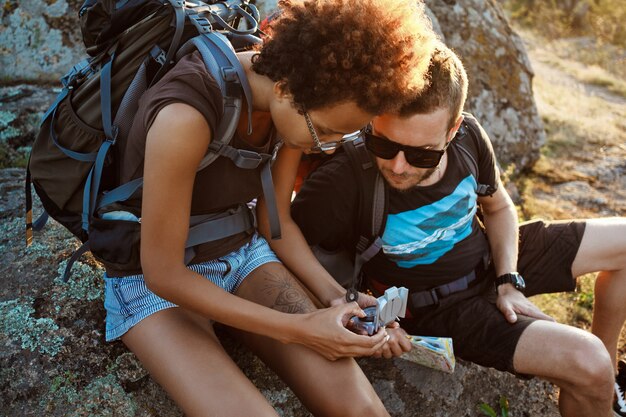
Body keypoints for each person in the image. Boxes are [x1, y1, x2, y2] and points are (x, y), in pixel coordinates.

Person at [102, 0, 438, 416]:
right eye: (327, 131)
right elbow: (162, 273)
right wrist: (301, 330)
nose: (326, 147)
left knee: (362, 410)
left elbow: (274, 221)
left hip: (241, 254)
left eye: (341, 136)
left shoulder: (298, 111)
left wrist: (336, 299)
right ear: (284, 88)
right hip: (153, 284)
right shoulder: (184, 115)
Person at [291, 42, 626, 417]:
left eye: (421, 154)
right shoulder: (343, 180)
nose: (399, 166)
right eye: (383, 143)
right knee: (587, 361)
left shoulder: (469, 137)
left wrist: (508, 280)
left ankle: (609, 385)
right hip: (441, 310)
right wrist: (359, 316)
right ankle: (599, 379)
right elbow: (287, 251)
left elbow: (498, 207)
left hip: (494, 261)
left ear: (452, 130)